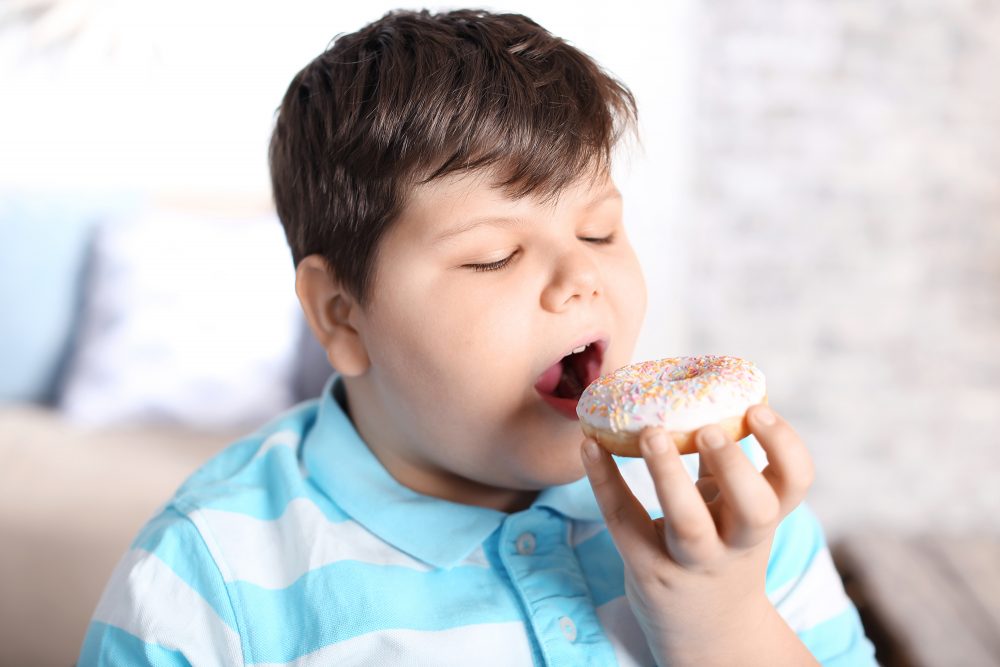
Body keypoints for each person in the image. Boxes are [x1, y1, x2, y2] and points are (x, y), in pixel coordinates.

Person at [79, 9, 876, 665]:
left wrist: (720, 613)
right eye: (495, 255)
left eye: (599, 232)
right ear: (341, 314)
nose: (578, 279)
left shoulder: (731, 515)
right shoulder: (206, 576)